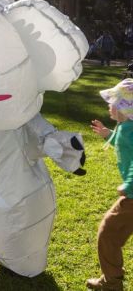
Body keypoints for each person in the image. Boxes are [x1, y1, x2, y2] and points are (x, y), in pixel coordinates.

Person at [87, 78, 133, 290]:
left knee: (108, 234)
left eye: (113, 102)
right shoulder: (126, 126)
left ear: (126, 108)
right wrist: (109, 134)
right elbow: (124, 144)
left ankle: (111, 282)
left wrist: (130, 185)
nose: (109, 105)